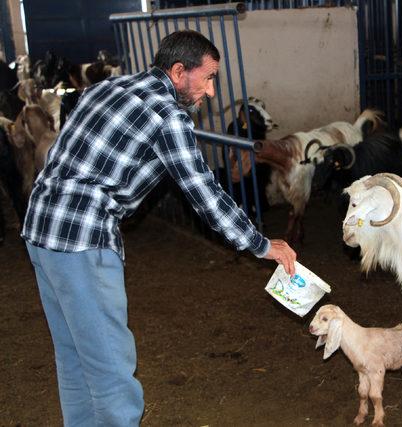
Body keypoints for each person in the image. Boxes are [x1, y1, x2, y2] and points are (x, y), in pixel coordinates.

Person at [21, 30, 296, 426]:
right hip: (83, 239)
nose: (212, 91)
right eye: (208, 78)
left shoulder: (107, 88)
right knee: (111, 367)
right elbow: (204, 192)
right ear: (179, 71)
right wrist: (259, 244)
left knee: (75, 356)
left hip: (41, 228)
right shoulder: (168, 116)